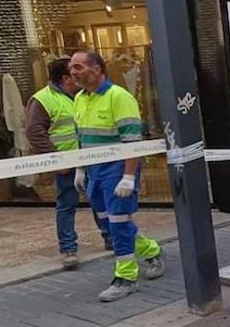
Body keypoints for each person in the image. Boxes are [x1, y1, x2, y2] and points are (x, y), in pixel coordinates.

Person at [69, 50, 164, 302]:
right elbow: (80, 137)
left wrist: (128, 176)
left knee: (119, 222)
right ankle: (152, 250)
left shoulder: (119, 97)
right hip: (94, 171)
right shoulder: (79, 98)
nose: (73, 72)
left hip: (116, 170)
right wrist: (80, 168)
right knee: (106, 223)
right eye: (71, 68)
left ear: (97, 69)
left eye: (78, 67)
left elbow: (132, 142)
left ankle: (126, 277)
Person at [25, 57, 90, 270]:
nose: (79, 76)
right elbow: (35, 133)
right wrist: (56, 160)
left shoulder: (83, 94)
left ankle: (110, 237)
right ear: (65, 78)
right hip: (67, 163)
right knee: (67, 204)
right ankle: (68, 249)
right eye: (74, 72)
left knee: (100, 201)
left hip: (89, 158)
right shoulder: (43, 99)